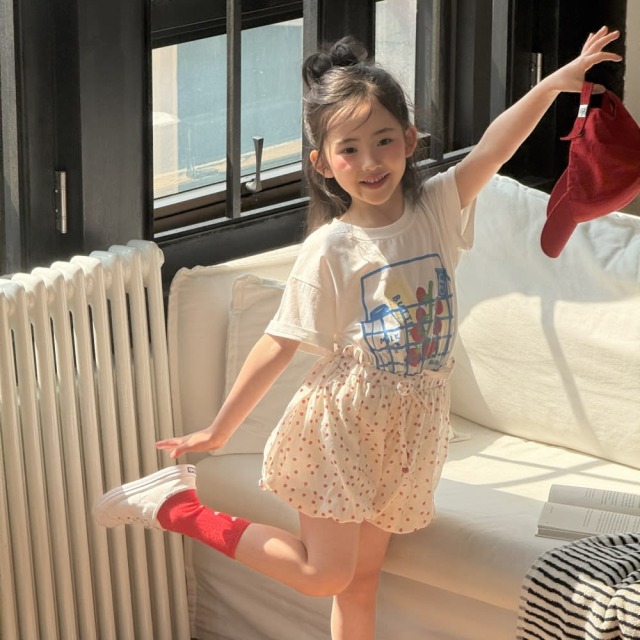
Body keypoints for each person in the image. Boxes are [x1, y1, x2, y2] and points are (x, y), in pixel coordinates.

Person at [94, 27, 621, 640]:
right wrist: (219, 430)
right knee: (324, 575)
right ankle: (179, 507)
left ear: (409, 141)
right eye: (349, 149)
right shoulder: (332, 248)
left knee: (360, 582)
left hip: (410, 430)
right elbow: (278, 343)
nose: (370, 162)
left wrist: (555, 84)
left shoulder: (437, 208)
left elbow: (495, 147)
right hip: (341, 430)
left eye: (384, 140)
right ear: (322, 162)